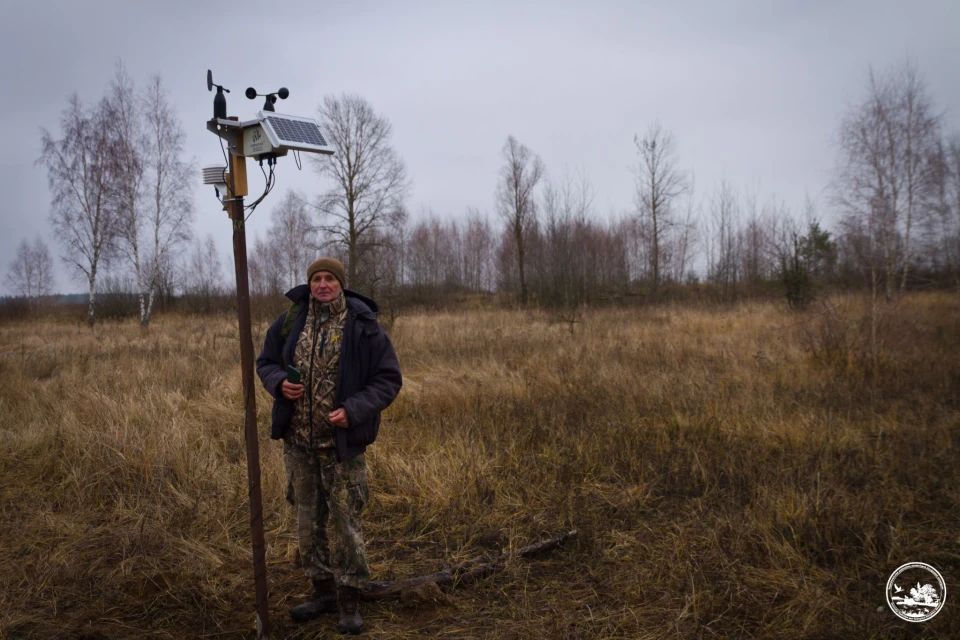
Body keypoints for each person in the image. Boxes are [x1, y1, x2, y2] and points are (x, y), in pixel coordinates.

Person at [256, 257, 402, 635]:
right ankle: (321, 591)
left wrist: (353, 411)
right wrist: (277, 384)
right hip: (298, 445)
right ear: (310, 284)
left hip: (341, 447)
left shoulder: (363, 326)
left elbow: (388, 380)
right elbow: (266, 362)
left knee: (345, 522)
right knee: (308, 521)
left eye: (329, 279)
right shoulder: (291, 321)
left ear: (340, 284)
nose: (322, 285)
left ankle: (350, 597)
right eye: (316, 279)